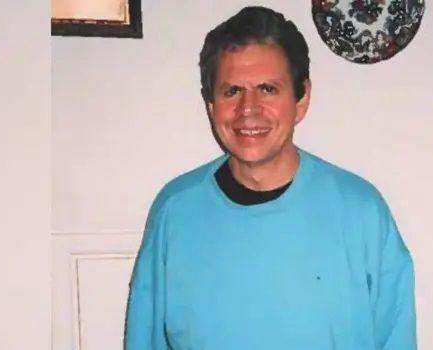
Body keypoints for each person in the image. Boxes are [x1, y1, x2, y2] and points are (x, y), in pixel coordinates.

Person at [125, 6, 416, 350]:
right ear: (210, 106)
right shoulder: (175, 211)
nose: (248, 109)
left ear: (302, 99)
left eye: (267, 89)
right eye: (232, 91)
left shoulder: (362, 212)